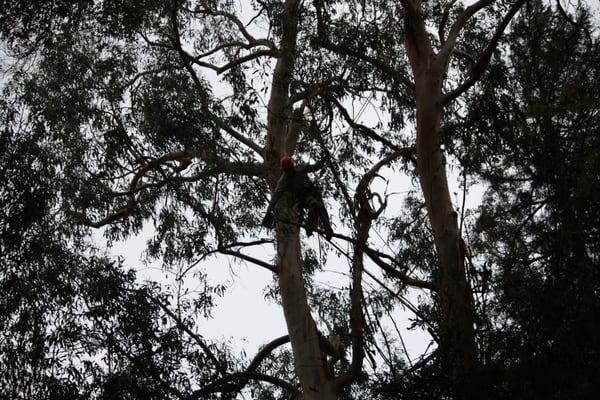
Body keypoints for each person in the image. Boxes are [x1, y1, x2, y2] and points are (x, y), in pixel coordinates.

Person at [262, 155, 334, 240]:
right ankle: (309, 226)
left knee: (321, 208)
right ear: (284, 170)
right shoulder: (284, 181)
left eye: (289, 169)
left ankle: (328, 229)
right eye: (287, 170)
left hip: (313, 192)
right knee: (314, 204)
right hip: (302, 198)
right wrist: (268, 212)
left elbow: (315, 167)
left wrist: (323, 160)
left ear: (292, 166)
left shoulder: (300, 168)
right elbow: (275, 198)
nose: (289, 171)